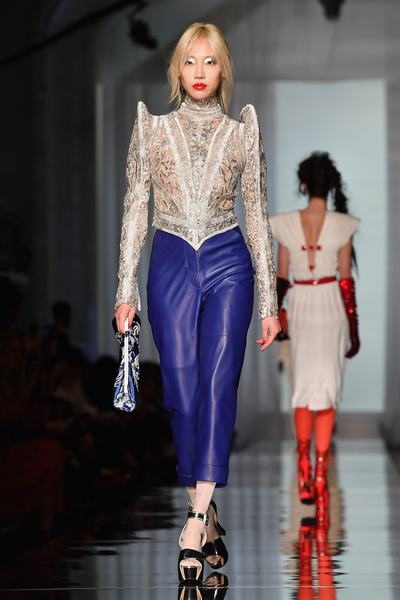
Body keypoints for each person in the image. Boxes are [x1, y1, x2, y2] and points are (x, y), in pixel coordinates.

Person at [114, 22, 280, 582]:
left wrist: (269, 302)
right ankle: (207, 514)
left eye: (210, 61)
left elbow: (257, 215)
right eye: (191, 61)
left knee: (217, 386)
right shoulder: (152, 128)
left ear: (223, 68)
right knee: (182, 395)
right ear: (177, 69)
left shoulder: (242, 133)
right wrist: (124, 290)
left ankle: (192, 521)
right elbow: (135, 209)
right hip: (169, 261)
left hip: (229, 260)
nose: (200, 72)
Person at [270, 152, 360, 526]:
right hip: (331, 305)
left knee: (303, 389)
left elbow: (281, 279)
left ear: (303, 184)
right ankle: (320, 473)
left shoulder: (285, 225)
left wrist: (275, 318)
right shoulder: (343, 225)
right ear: (332, 185)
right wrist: (354, 329)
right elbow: (346, 281)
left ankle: (304, 468)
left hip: (302, 305)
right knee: (327, 390)